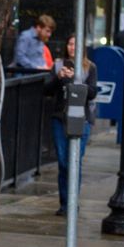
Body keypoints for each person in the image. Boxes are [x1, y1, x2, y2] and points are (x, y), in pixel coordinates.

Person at [45, 35, 99, 216]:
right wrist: (59, 78)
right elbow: (47, 89)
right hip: (60, 117)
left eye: (76, 44)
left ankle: (72, 202)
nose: (72, 47)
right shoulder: (59, 65)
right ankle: (64, 203)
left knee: (75, 161)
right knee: (63, 161)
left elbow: (92, 92)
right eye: (69, 43)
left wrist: (76, 80)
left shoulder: (89, 67)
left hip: (81, 119)